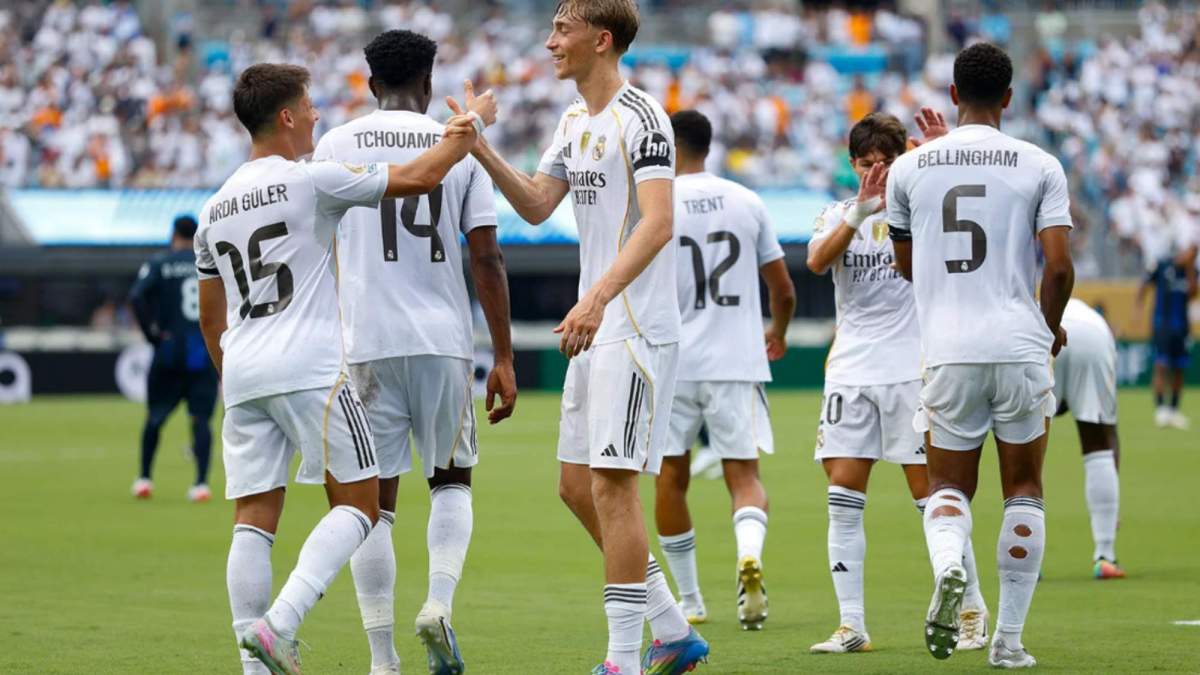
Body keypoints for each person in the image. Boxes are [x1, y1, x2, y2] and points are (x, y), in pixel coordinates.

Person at [195, 62, 494, 675]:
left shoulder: (212, 208)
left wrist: (235, 370)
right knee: (360, 507)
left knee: (252, 522)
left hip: (244, 369)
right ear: (284, 117)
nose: (316, 116)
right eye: (307, 107)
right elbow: (422, 176)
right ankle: (280, 624)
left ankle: (254, 665)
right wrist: (470, 128)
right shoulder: (310, 181)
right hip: (312, 366)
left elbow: (209, 317)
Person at [459, 2, 708, 672]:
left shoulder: (643, 116)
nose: (549, 43)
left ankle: (622, 659)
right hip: (595, 327)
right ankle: (673, 628)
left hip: (632, 327)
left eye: (561, 32)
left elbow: (658, 223)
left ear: (601, 41)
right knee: (575, 486)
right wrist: (478, 147)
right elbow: (540, 204)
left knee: (613, 487)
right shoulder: (574, 121)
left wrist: (597, 295)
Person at [312, 29, 516, 675]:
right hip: (442, 342)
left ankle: (381, 657)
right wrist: (504, 356)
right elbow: (485, 255)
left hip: (363, 342)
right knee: (451, 479)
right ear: (429, 85)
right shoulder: (460, 139)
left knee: (370, 501)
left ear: (370, 85)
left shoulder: (335, 142)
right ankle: (439, 602)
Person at [887, 43, 1075, 668]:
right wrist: (1048, 329)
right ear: (1011, 98)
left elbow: (908, 266)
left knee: (947, 488)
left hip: (948, 348)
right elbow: (1059, 266)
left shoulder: (909, 171)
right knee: (1024, 490)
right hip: (1019, 342)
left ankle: (948, 569)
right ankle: (1010, 643)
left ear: (951, 95)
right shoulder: (1040, 163)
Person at [805, 111, 987, 655]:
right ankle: (852, 624)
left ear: (902, 159)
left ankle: (973, 608)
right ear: (852, 164)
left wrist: (939, 160)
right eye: (865, 164)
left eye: (885, 163)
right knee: (842, 495)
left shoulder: (926, 208)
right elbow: (815, 262)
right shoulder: (839, 213)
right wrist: (859, 213)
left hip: (913, 369)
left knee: (930, 495)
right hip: (850, 372)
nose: (876, 174)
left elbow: (965, 230)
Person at [653, 109, 795, 632]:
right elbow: (783, 289)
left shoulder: (655, 201)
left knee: (671, 476)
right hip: (735, 356)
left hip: (672, 359)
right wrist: (777, 331)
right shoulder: (747, 201)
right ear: (709, 146)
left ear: (668, 146)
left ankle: (690, 600)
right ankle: (747, 555)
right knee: (745, 476)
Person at [128, 214, 219, 502]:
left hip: (168, 352)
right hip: (200, 352)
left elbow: (136, 297)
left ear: (173, 235)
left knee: (155, 417)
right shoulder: (208, 263)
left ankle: (144, 479)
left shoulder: (159, 263)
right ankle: (201, 484)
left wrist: (152, 334)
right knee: (200, 420)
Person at [1053, 298, 1124, 579]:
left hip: (1044, 328)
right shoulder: (1100, 326)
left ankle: (1023, 561)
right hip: (1092, 339)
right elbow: (1112, 435)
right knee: (1098, 445)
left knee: (1024, 449)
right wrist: (1111, 505)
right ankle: (1105, 555)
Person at [1135, 248, 1196, 430]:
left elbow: (1193, 294)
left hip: (1182, 326)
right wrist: (1137, 310)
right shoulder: (1162, 266)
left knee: (1179, 368)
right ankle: (1161, 409)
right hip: (1162, 324)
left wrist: (1191, 268)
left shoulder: (1191, 271)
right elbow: (1144, 285)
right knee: (1161, 365)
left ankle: (1174, 410)